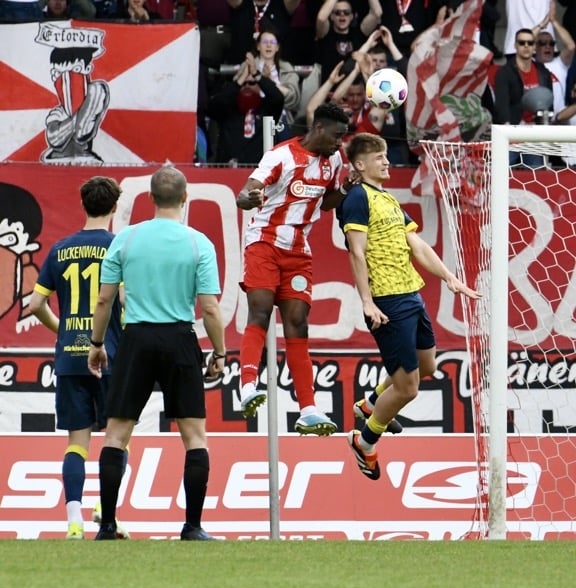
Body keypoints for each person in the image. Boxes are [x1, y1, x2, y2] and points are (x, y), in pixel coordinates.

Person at [87, 166, 225, 541]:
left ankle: (107, 525)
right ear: (185, 197)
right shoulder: (199, 243)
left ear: (149, 199)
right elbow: (210, 308)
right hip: (180, 338)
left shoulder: (126, 239)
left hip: (136, 340)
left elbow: (104, 299)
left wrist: (97, 344)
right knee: (195, 436)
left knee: (115, 433)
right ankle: (193, 526)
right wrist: (222, 353)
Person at [338, 133, 479, 480]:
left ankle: (370, 403)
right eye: (379, 156)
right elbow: (356, 252)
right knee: (408, 387)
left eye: (386, 154)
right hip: (387, 300)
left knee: (428, 365)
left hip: (411, 294)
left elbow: (417, 246)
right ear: (360, 164)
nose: (387, 161)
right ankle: (365, 440)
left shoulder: (386, 199)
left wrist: (450, 277)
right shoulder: (357, 198)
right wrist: (368, 303)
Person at [235, 101, 352, 436]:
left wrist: (344, 189)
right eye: (336, 135)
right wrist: (248, 199)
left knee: (298, 324)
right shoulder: (281, 156)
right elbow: (248, 191)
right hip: (264, 243)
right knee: (259, 310)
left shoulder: (334, 162)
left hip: (299, 250)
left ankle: (308, 410)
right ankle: (247, 387)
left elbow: (325, 202)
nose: (339, 143)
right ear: (318, 129)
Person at [28, 177, 128, 540]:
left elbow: (35, 304)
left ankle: (74, 521)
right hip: (111, 355)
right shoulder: (119, 248)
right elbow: (125, 302)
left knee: (76, 441)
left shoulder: (60, 249)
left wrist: (63, 330)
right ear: (115, 207)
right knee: (118, 438)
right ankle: (106, 512)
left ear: (83, 205)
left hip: (70, 356)